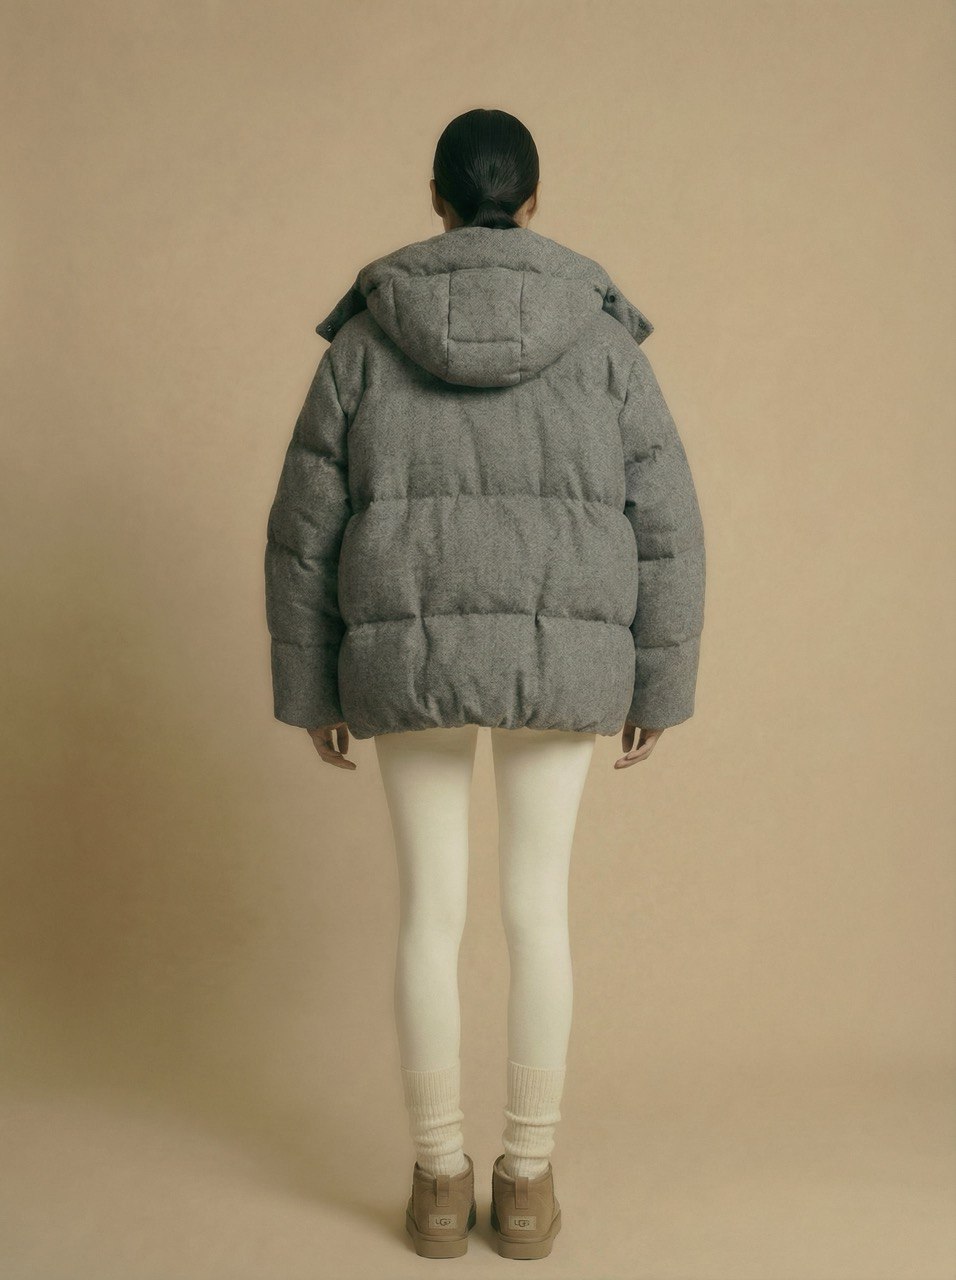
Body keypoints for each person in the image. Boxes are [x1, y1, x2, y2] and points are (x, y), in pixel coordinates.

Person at [264, 107, 706, 1260]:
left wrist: (313, 686)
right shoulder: (601, 341)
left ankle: (434, 1182)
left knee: (429, 911)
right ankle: (523, 1182)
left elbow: (303, 529)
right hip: (563, 656)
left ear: (436, 197)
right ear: (534, 200)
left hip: (404, 652)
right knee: (535, 909)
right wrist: (655, 685)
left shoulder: (364, 341)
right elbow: (666, 523)